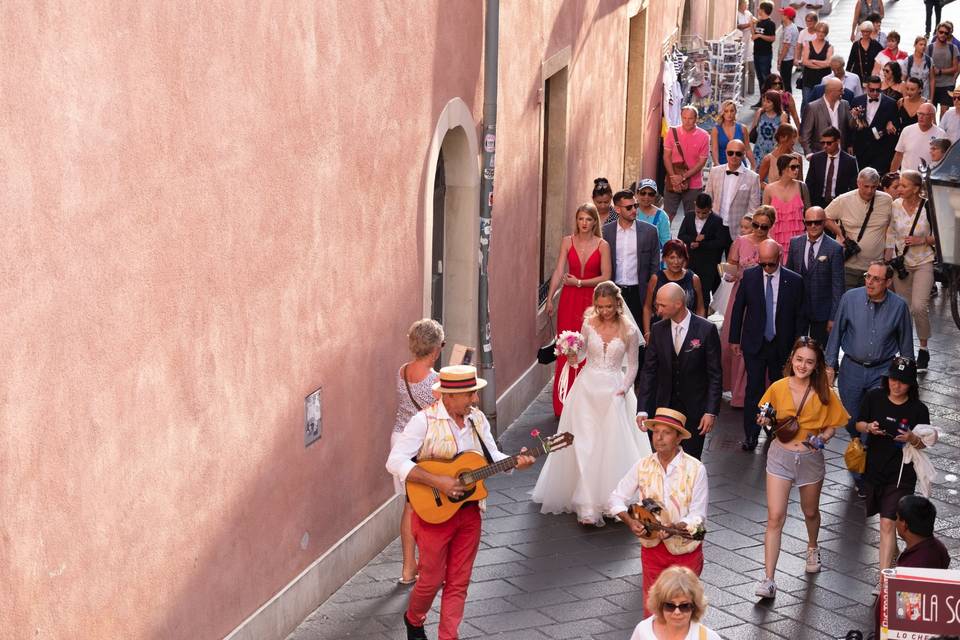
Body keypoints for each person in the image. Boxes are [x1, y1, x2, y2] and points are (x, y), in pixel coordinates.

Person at [387, 365, 536, 640]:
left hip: (469, 513)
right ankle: (414, 618)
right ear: (449, 396)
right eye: (470, 395)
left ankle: (448, 636)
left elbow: (492, 456)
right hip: (432, 515)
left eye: (475, 394)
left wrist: (516, 462)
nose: (475, 400)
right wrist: (438, 481)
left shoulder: (476, 420)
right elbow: (394, 461)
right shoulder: (424, 421)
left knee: (459, 580)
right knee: (430, 580)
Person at [531, 282, 651, 525]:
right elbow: (581, 357)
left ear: (617, 304)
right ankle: (586, 503)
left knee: (610, 445)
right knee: (584, 443)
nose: (604, 311)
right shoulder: (588, 323)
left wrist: (624, 388)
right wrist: (572, 354)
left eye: (608, 306)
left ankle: (611, 499)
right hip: (587, 389)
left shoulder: (628, 330)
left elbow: (634, 365)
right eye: (599, 306)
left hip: (614, 391)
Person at [754, 337, 849, 598]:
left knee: (810, 512)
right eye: (799, 360)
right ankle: (769, 579)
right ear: (791, 360)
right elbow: (764, 411)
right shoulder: (778, 387)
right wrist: (764, 418)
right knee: (775, 517)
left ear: (816, 365)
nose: (803, 366)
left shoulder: (824, 393)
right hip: (779, 456)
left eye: (809, 362)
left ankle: (812, 546)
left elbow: (833, 424)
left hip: (809, 458)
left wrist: (823, 438)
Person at [825, 261, 914, 495]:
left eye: (876, 279)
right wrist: (829, 365)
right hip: (851, 370)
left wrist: (907, 379)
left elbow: (906, 344)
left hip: (882, 371)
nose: (870, 282)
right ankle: (859, 449)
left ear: (887, 282)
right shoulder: (850, 299)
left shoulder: (899, 307)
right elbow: (836, 334)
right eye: (867, 276)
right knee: (853, 420)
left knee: (872, 423)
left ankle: (862, 475)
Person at [611, 408, 708, 614]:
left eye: (667, 432)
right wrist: (630, 521)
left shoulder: (696, 469)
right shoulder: (642, 465)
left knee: (681, 611)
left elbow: (698, 517)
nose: (659, 438)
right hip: (652, 550)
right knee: (653, 610)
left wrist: (675, 526)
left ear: (679, 438)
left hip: (686, 552)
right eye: (656, 432)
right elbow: (616, 498)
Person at [856, 358, 937, 578]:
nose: (896, 385)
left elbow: (924, 445)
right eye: (893, 379)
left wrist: (912, 437)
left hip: (902, 475)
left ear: (911, 384)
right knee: (885, 525)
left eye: (902, 381)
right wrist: (869, 428)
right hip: (874, 470)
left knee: (886, 523)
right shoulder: (874, 397)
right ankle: (892, 554)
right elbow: (858, 423)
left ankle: (883, 579)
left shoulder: (919, 410)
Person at [729, 239, 806, 451]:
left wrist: (798, 347)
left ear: (780, 258)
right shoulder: (750, 277)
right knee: (753, 390)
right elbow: (738, 308)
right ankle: (751, 435)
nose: (766, 268)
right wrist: (735, 339)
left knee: (780, 391)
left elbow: (800, 316)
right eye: (762, 263)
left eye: (770, 264)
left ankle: (774, 431)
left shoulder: (795, 281)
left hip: (782, 346)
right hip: (755, 342)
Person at [637, 283, 722, 460]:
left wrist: (710, 411)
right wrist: (643, 408)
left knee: (690, 461)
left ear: (678, 304)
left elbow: (715, 375)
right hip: (663, 408)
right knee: (663, 457)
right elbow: (649, 371)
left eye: (662, 305)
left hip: (695, 410)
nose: (658, 310)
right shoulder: (657, 329)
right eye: (656, 305)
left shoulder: (706, 330)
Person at [545, 203, 612, 416]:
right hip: (568, 300)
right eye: (581, 219)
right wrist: (549, 299)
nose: (584, 223)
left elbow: (606, 277)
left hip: (592, 302)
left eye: (588, 219)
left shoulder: (603, 245)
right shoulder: (567, 241)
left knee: (590, 348)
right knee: (567, 347)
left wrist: (580, 283)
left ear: (595, 222)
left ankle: (586, 404)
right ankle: (563, 403)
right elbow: (558, 271)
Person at [392, 319, 444, 585]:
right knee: (429, 509)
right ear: (435, 349)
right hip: (421, 446)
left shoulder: (402, 371)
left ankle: (407, 568)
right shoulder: (436, 381)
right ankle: (426, 566)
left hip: (399, 442)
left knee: (409, 507)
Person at [874, 494, 953, 639]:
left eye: (897, 517)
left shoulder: (912, 570)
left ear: (904, 525)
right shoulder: (938, 548)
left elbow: (904, 620)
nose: (895, 521)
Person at [721, 206, 775, 408]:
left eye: (764, 226)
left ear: (771, 226)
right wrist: (729, 274)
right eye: (756, 225)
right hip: (740, 294)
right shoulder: (741, 242)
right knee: (731, 342)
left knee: (756, 342)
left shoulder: (773, 246)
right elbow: (731, 266)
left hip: (761, 298)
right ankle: (735, 390)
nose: (759, 229)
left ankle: (751, 392)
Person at [884, 170, 936, 373]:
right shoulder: (894, 206)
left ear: (916, 188)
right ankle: (906, 352)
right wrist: (888, 257)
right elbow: (890, 232)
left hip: (924, 260)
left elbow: (942, 234)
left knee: (919, 306)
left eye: (904, 186)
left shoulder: (928, 207)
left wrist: (921, 240)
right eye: (898, 186)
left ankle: (923, 348)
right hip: (901, 264)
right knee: (904, 309)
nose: (899, 189)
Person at [603, 190, 661, 357]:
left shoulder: (650, 232)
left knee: (638, 337)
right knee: (613, 335)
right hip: (614, 291)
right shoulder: (606, 232)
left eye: (635, 206)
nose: (634, 210)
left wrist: (652, 294)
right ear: (618, 209)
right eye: (629, 207)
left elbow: (654, 266)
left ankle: (638, 378)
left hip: (639, 292)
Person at [825, 167, 894, 289]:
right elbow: (824, 217)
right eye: (866, 186)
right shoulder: (844, 200)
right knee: (848, 302)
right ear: (858, 183)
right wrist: (840, 234)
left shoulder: (886, 200)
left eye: (873, 187)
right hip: (848, 266)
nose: (869, 191)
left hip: (875, 267)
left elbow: (893, 226)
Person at [786, 207, 845, 345]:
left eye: (817, 222)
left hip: (822, 311)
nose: (813, 226)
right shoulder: (795, 243)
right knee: (795, 348)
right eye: (809, 222)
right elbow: (788, 277)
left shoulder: (834, 248)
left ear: (824, 222)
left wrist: (834, 317)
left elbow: (838, 286)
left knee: (819, 352)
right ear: (804, 222)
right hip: (798, 309)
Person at [629, 567, 721, 640]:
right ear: (660, 605)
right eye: (670, 605)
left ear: (695, 606)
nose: (677, 612)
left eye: (684, 606)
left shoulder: (708, 638)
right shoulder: (643, 631)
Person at [642, 240, 705, 340]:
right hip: (660, 331)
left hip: (688, 330)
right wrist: (647, 333)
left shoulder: (693, 279)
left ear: (685, 259)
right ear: (664, 259)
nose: (676, 262)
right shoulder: (656, 279)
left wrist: (700, 331)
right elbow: (647, 307)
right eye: (672, 257)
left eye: (680, 257)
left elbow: (700, 308)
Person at [678, 193, 731, 309]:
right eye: (698, 212)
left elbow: (720, 242)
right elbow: (681, 235)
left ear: (710, 209)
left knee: (704, 293)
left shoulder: (717, 220)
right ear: (695, 205)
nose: (701, 215)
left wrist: (703, 241)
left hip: (709, 264)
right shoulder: (688, 216)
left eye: (704, 213)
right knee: (689, 291)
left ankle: (703, 319)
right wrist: (692, 240)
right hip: (691, 261)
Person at [704, 138, 762, 241]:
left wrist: (746, 229)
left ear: (744, 155)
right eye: (731, 153)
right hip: (715, 228)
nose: (734, 156)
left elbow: (754, 208)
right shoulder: (714, 171)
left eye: (738, 154)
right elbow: (708, 198)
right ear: (726, 153)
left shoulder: (753, 178)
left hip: (738, 230)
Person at [663, 106, 710, 230]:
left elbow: (701, 162)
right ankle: (665, 245)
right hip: (672, 181)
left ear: (696, 119)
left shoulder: (704, 136)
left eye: (690, 118)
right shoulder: (672, 132)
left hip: (694, 184)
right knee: (668, 215)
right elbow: (666, 156)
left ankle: (688, 245)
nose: (687, 121)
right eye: (684, 118)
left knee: (692, 216)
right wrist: (673, 177)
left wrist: (683, 177)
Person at [849, 75, 899, 175]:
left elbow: (895, 126)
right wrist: (850, 144)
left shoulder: (891, 103)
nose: (875, 93)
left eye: (878, 90)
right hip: (861, 148)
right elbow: (851, 126)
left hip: (881, 149)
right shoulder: (857, 101)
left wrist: (886, 129)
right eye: (872, 90)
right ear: (866, 88)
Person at [763, 155, 810, 258]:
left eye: (798, 167)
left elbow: (809, 214)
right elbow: (764, 218)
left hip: (798, 239)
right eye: (793, 167)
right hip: (775, 238)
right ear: (783, 168)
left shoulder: (802, 187)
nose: (796, 170)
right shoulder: (769, 189)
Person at [806, 126, 859, 209]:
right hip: (818, 203)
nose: (825, 146)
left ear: (838, 141)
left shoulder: (850, 161)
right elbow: (809, 183)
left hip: (840, 203)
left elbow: (854, 186)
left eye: (829, 143)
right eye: (823, 143)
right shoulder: (816, 159)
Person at [800, 78, 852, 156]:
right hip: (820, 153)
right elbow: (805, 134)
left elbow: (850, 127)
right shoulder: (813, 107)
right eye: (841, 90)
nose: (843, 92)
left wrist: (855, 118)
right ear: (832, 92)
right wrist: (809, 154)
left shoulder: (845, 104)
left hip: (840, 153)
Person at [891, 102, 945, 171]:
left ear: (932, 116)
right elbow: (898, 154)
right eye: (919, 113)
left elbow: (942, 160)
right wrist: (892, 174)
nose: (921, 117)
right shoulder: (907, 130)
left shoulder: (941, 134)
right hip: (907, 177)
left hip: (928, 178)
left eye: (925, 114)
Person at [711, 99, 757, 169]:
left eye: (732, 111)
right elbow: (714, 150)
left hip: (740, 166)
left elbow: (748, 149)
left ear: (735, 112)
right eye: (726, 111)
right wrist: (717, 164)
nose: (729, 114)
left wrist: (753, 165)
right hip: (723, 165)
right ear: (723, 113)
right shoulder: (716, 130)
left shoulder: (743, 128)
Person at [799, 21, 833, 113]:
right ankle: (805, 123)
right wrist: (821, 64)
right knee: (807, 102)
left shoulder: (829, 46)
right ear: (816, 32)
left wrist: (813, 61)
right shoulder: (808, 44)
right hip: (808, 78)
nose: (820, 34)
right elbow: (805, 62)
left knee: (821, 104)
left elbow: (828, 63)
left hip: (823, 79)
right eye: (819, 31)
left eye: (823, 32)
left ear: (826, 33)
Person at [929, 22, 960, 118]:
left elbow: (955, 68)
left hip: (947, 84)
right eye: (941, 32)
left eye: (946, 33)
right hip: (932, 85)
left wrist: (940, 71)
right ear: (937, 32)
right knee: (931, 112)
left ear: (949, 34)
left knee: (944, 112)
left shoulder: (953, 48)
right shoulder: (929, 48)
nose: (943, 35)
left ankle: (942, 131)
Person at [634, 179, 672, 250]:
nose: (646, 197)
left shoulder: (662, 216)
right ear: (637, 193)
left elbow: (666, 241)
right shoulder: (631, 211)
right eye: (643, 193)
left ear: (655, 196)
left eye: (650, 194)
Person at [753, 90, 788, 166]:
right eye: (764, 101)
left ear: (775, 103)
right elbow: (753, 129)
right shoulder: (760, 112)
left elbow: (784, 137)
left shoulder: (782, 116)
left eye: (768, 102)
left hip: (774, 154)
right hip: (759, 153)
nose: (765, 104)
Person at [753, 1, 778, 95]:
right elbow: (753, 37)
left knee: (765, 78)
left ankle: (768, 98)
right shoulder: (759, 22)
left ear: (763, 10)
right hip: (756, 53)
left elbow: (772, 38)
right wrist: (752, 25)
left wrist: (760, 36)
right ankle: (762, 98)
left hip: (765, 55)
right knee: (759, 78)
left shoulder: (770, 23)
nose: (757, 9)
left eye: (759, 8)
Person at [777, 7, 800, 85]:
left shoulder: (788, 30)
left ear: (786, 16)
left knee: (785, 83)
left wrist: (780, 61)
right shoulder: (793, 26)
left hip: (786, 59)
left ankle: (787, 97)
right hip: (789, 58)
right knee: (786, 82)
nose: (781, 15)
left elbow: (786, 47)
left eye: (782, 14)